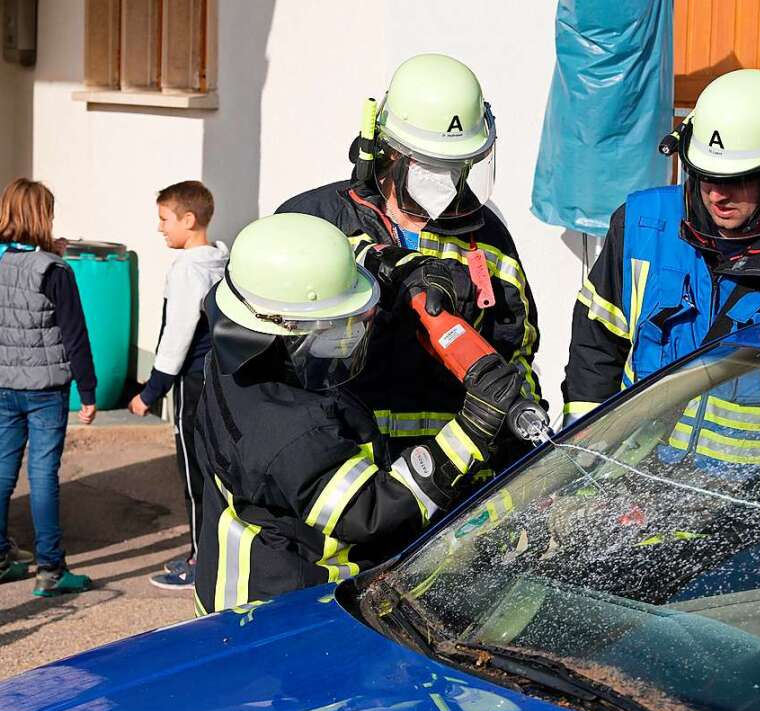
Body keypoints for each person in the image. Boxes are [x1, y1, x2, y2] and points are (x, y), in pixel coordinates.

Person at [193, 212, 522, 614]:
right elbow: (373, 511)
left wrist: (404, 270)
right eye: (334, 324)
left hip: (243, 577)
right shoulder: (290, 432)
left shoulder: (239, 336)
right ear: (285, 326)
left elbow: (343, 260)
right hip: (275, 613)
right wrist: (472, 429)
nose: (349, 333)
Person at [277, 53, 542, 490]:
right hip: (348, 475)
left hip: (458, 472)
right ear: (387, 152)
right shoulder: (315, 223)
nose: (449, 185)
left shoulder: (489, 237)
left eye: (460, 168)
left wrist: (518, 436)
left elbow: (516, 351)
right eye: (432, 169)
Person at [561, 69, 760, 432]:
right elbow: (595, 346)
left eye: (737, 180)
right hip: (636, 478)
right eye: (705, 175)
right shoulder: (639, 226)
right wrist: (585, 452)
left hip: (756, 488)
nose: (716, 195)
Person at [128, 181, 229, 590]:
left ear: (189, 220)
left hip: (192, 383)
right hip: (217, 380)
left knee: (194, 475)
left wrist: (150, 391)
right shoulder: (220, 260)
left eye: (164, 219)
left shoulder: (188, 269)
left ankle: (200, 561)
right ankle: (201, 549)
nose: (159, 228)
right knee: (212, 471)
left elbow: (177, 336)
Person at [0, 178, 97, 597]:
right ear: (44, 217)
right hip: (45, 389)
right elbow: (75, 335)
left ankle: (2, 557)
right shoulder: (55, 271)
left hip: (3, 384)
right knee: (42, 476)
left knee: (2, 471)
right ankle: (51, 569)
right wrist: (89, 392)